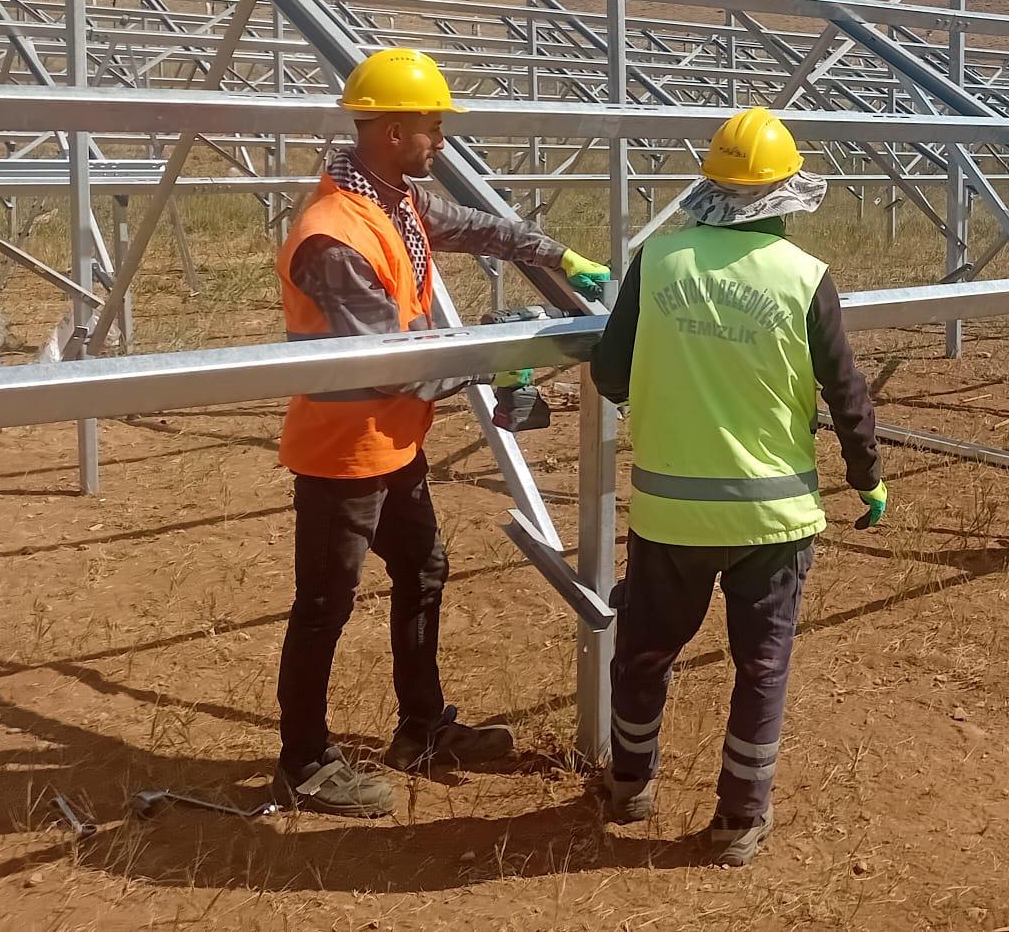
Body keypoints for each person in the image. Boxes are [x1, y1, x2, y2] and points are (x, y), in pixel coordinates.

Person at [272, 46, 610, 815]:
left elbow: (478, 228)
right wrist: (495, 352)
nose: (442, 139)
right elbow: (395, 365)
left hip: (392, 443)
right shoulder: (334, 235)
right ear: (392, 131)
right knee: (324, 606)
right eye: (432, 125)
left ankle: (422, 728)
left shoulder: (395, 203)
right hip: (343, 451)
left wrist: (558, 255)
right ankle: (304, 764)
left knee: (423, 570)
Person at [591, 105, 886, 868]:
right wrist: (867, 476)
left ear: (711, 193)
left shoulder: (658, 262)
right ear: (785, 200)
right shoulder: (804, 277)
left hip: (671, 513)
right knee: (761, 668)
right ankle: (739, 819)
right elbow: (846, 391)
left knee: (645, 652)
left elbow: (609, 373)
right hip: (773, 518)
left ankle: (629, 783)